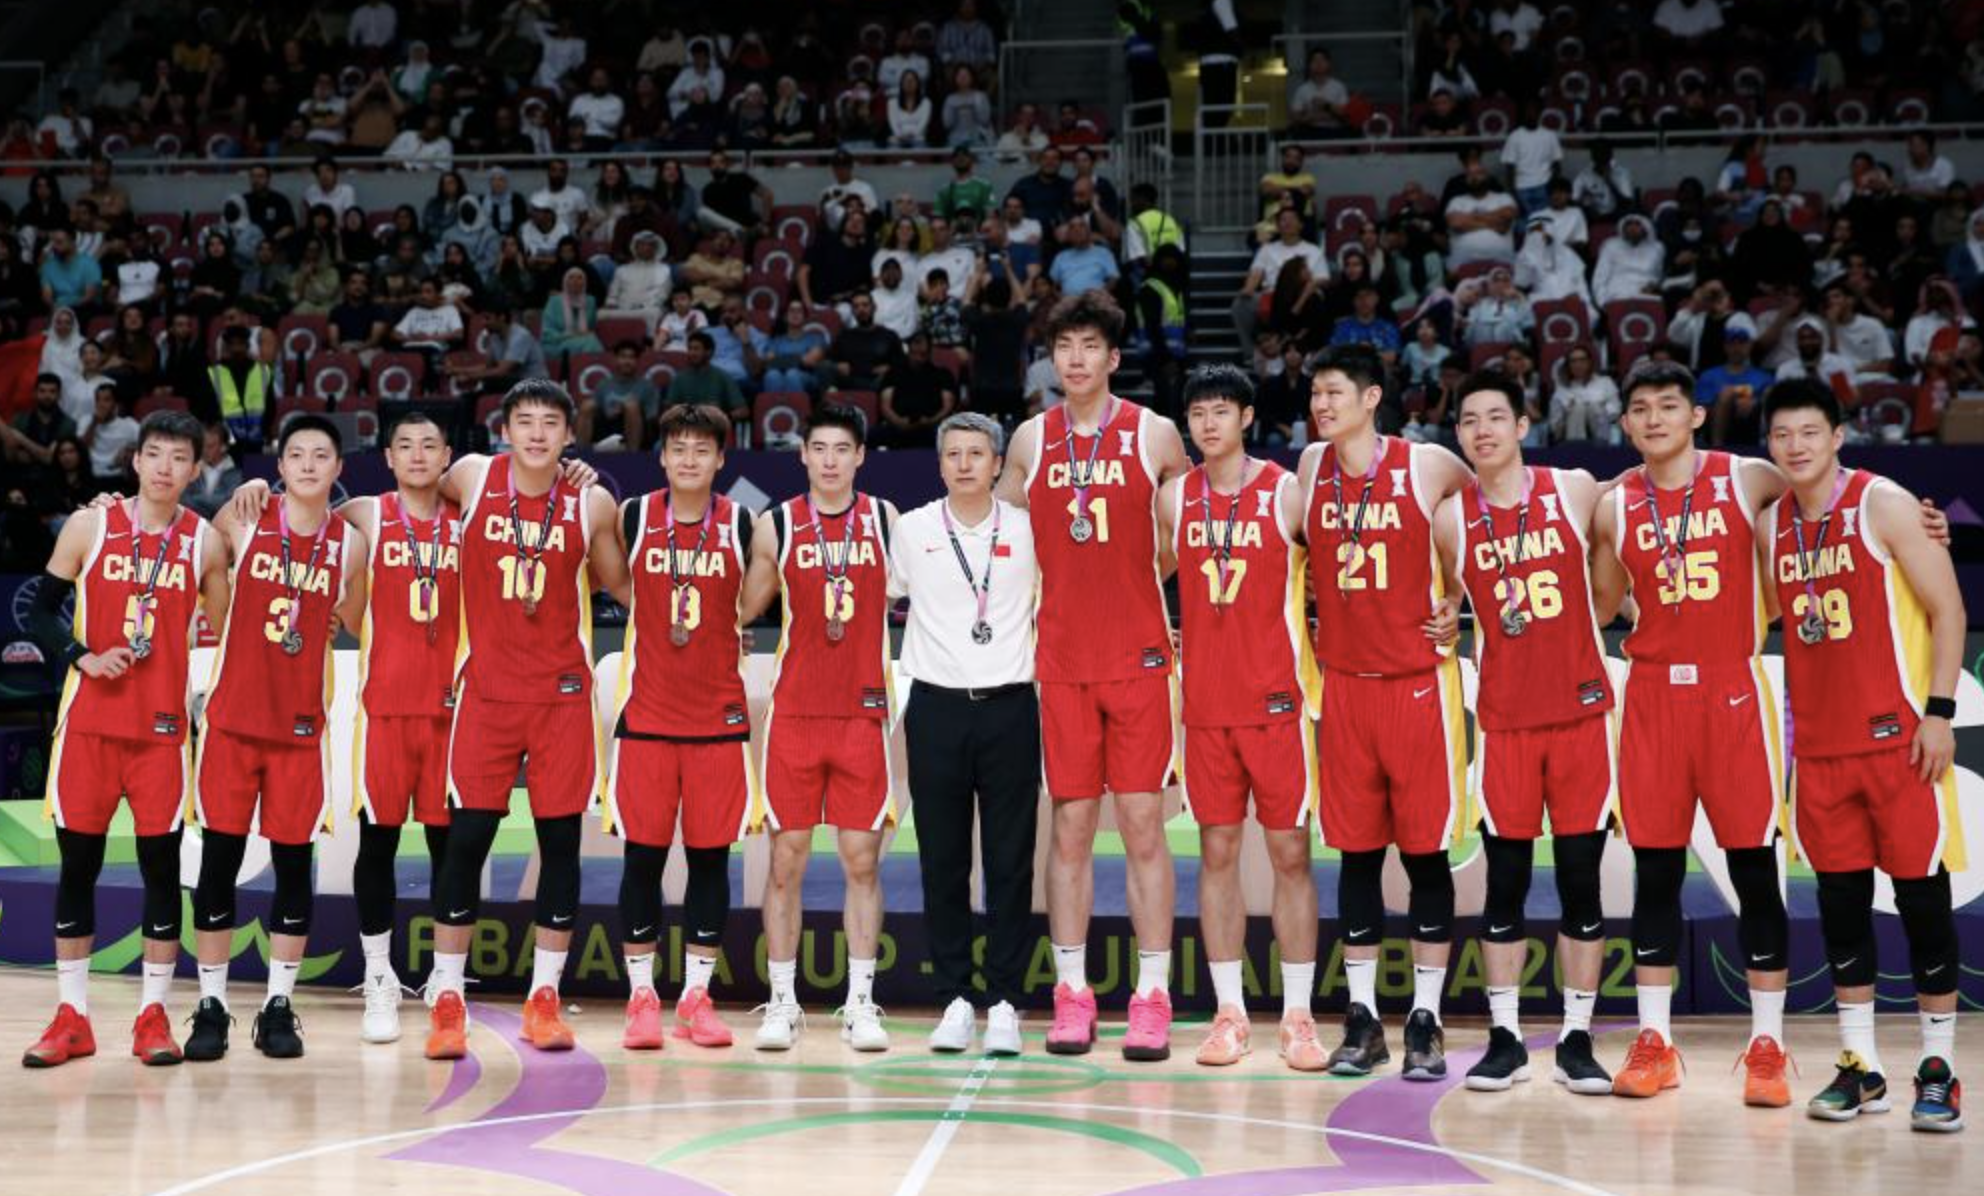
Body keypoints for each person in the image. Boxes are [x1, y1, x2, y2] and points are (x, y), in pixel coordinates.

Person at [1759, 380, 1967, 1132]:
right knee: (1843, 915)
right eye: (1782, 435)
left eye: (1810, 432)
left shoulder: (1884, 503)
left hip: (1899, 745)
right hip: (1818, 754)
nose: (1797, 446)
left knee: (1921, 907)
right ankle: (1861, 1068)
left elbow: (1949, 609)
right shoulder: (1770, 525)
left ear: (1839, 436)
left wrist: (1938, 714)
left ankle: (1938, 1071)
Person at [1588, 361, 1797, 1105]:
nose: (1652, 420)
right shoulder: (1616, 506)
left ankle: (1768, 1046)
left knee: (1752, 869)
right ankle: (1656, 1043)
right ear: (1625, 424)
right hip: (1651, 696)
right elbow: (1604, 603)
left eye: (1667, 407)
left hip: (1734, 691)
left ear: (1696, 416)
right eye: (1639, 409)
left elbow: (1823, 492)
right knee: (1656, 874)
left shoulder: (1745, 478)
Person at [995, 290, 1190, 1059]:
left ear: (1113, 359)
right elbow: (996, 538)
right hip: (1062, 663)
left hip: (1140, 659)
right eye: (1062, 347)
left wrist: (1145, 580)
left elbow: (1188, 528)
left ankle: (1151, 996)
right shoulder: (1029, 440)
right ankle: (1072, 994)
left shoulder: (1156, 434)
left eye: (1089, 347)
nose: (1074, 360)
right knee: (1070, 829)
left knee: (1143, 826)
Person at [420, 380, 629, 1060]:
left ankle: (544, 998)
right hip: (486, 691)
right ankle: (447, 997)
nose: (537, 434)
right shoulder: (473, 475)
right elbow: (412, 484)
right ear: (504, 428)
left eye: (550, 423)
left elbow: (618, 583)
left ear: (570, 435)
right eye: (524, 421)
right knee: (467, 840)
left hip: (561, 693)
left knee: (560, 841)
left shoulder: (592, 499)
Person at [20, 413, 229, 1068]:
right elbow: (33, 608)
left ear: (196, 470)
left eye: (180, 458)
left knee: (161, 873)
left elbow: (222, 628)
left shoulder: (205, 543)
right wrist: (81, 655)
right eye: (155, 455)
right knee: (77, 869)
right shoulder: (91, 525)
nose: (166, 468)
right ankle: (72, 1018)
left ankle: (152, 1017)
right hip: (87, 728)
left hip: (162, 734)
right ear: (135, 461)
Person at [1429, 371, 1617, 1094]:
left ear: (1522, 423)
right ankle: (1504, 1037)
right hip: (1505, 723)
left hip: (1578, 718)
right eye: (1469, 420)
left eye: (1496, 417)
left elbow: (1640, 514)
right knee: (1504, 885)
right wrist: (1447, 612)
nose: (1482, 431)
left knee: (1578, 884)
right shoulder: (1451, 519)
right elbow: (1443, 595)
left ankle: (1575, 1040)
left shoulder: (1572, 488)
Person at [1293, 343, 1470, 1079]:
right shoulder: (1309, 469)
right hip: (1347, 688)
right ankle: (1362, 1020)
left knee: (1425, 854)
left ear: (1371, 398)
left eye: (1335, 392)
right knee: (1357, 855)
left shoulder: (1427, 465)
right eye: (1316, 394)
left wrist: (1459, 603)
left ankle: (1425, 1021)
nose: (1322, 405)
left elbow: (1484, 516)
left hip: (1419, 688)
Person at [1146, 367, 1328, 1070]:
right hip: (1208, 708)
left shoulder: (1286, 492)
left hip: (1278, 704)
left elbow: (1341, 570)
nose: (1208, 424)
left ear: (1247, 416)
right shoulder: (1173, 499)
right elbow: (1147, 577)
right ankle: (1230, 1014)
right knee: (1216, 855)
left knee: (1290, 856)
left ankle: (1299, 1017)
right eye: (1197, 413)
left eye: (1221, 411)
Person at [183, 416, 368, 1062]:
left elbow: (357, 615)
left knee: (293, 867)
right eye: (297, 456)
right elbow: (186, 556)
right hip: (232, 726)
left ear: (338, 469)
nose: (310, 465)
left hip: (298, 734)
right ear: (280, 467)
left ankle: (278, 1006)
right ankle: (210, 1005)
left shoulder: (350, 546)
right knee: (219, 866)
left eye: (322, 455)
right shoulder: (240, 518)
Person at [745, 405, 901, 1052]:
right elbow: (742, 606)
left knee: (861, 860)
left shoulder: (887, 519)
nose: (832, 459)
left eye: (844, 447)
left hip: (863, 714)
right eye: (820, 448)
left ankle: (860, 1002)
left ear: (861, 456)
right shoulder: (774, 522)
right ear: (803, 456)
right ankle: (782, 1001)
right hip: (796, 715)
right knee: (786, 860)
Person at [605, 404, 759, 1051]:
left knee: (709, 862)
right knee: (641, 861)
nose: (690, 458)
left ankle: (696, 997)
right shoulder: (634, 516)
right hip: (646, 721)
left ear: (721, 459)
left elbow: (755, 597)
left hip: (718, 722)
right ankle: (642, 997)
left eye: (702, 449)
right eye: (679, 448)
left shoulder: (743, 523)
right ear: (662, 457)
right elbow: (616, 585)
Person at [889, 413, 1037, 1056]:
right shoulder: (913, 528)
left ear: (998, 462)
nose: (966, 464)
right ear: (940, 463)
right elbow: (882, 597)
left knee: (1009, 863)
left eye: (978, 453)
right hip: (936, 707)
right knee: (942, 861)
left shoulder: (1031, 530)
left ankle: (1005, 1000)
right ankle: (954, 998)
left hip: (1010, 707)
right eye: (954, 453)